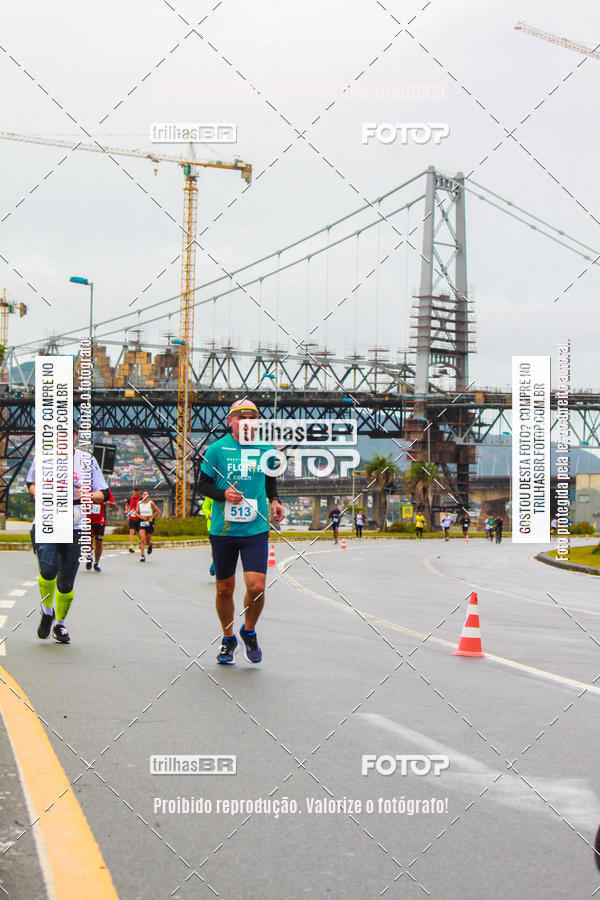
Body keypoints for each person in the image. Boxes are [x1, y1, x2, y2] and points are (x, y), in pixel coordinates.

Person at [198, 398, 285, 665]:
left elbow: (270, 480)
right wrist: (222, 494)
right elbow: (202, 485)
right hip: (223, 529)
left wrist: (275, 501)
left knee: (256, 586)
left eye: (252, 418)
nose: (247, 422)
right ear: (231, 422)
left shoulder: (266, 449)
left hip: (255, 528)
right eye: (242, 418)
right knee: (225, 589)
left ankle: (248, 630)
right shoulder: (216, 450)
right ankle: (228, 639)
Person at [26, 422, 109, 644]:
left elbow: (104, 493)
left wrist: (89, 495)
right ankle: (46, 611)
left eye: (68, 435)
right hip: (46, 523)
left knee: (66, 582)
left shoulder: (86, 461)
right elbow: (30, 483)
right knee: (49, 568)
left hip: (75, 527)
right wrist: (37, 492)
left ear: (75, 436)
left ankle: (60, 625)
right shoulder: (43, 459)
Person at [86, 488, 117, 572]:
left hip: (100, 521)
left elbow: (114, 504)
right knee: (88, 542)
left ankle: (96, 563)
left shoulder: (105, 491)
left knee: (99, 543)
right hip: (88, 520)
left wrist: (110, 503)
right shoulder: (86, 488)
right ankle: (89, 556)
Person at [136, 490, 159, 561]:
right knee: (143, 540)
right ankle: (142, 556)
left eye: (146, 495)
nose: (145, 496)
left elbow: (158, 511)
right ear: (142, 496)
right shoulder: (139, 503)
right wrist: (141, 517)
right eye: (144, 494)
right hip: (142, 522)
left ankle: (150, 545)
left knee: (148, 539)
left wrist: (152, 517)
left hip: (149, 522)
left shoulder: (151, 503)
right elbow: (136, 513)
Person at [202, 495, 215, 576]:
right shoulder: (211, 495)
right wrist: (209, 514)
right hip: (213, 527)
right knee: (215, 549)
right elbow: (205, 507)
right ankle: (215, 565)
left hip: (227, 526)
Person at [125, 487, 141, 553]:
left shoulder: (141, 498)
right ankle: (131, 545)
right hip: (132, 517)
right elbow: (127, 504)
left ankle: (141, 542)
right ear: (132, 492)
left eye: (136, 493)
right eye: (134, 493)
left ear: (138, 492)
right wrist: (126, 509)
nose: (135, 494)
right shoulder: (129, 498)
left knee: (139, 532)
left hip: (139, 517)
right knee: (131, 531)